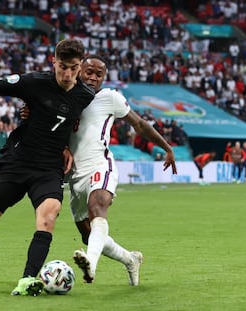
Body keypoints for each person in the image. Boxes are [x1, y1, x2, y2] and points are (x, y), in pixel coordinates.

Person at [0, 38, 95, 297]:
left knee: (49, 215)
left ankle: (28, 279)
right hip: (17, 163)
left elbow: (83, 127)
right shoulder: (36, 82)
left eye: (73, 68)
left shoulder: (86, 96)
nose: (67, 73)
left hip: (49, 168)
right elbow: (0, 84)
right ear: (54, 62)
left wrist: (67, 147)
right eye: (63, 66)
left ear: (80, 66)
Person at [67, 55, 177, 285]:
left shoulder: (109, 97)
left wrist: (166, 147)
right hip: (74, 176)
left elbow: (139, 125)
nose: (93, 78)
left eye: (99, 75)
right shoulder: (66, 97)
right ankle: (130, 259)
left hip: (101, 165)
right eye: (89, 72)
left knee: (97, 208)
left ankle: (91, 265)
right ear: (79, 72)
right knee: (89, 235)